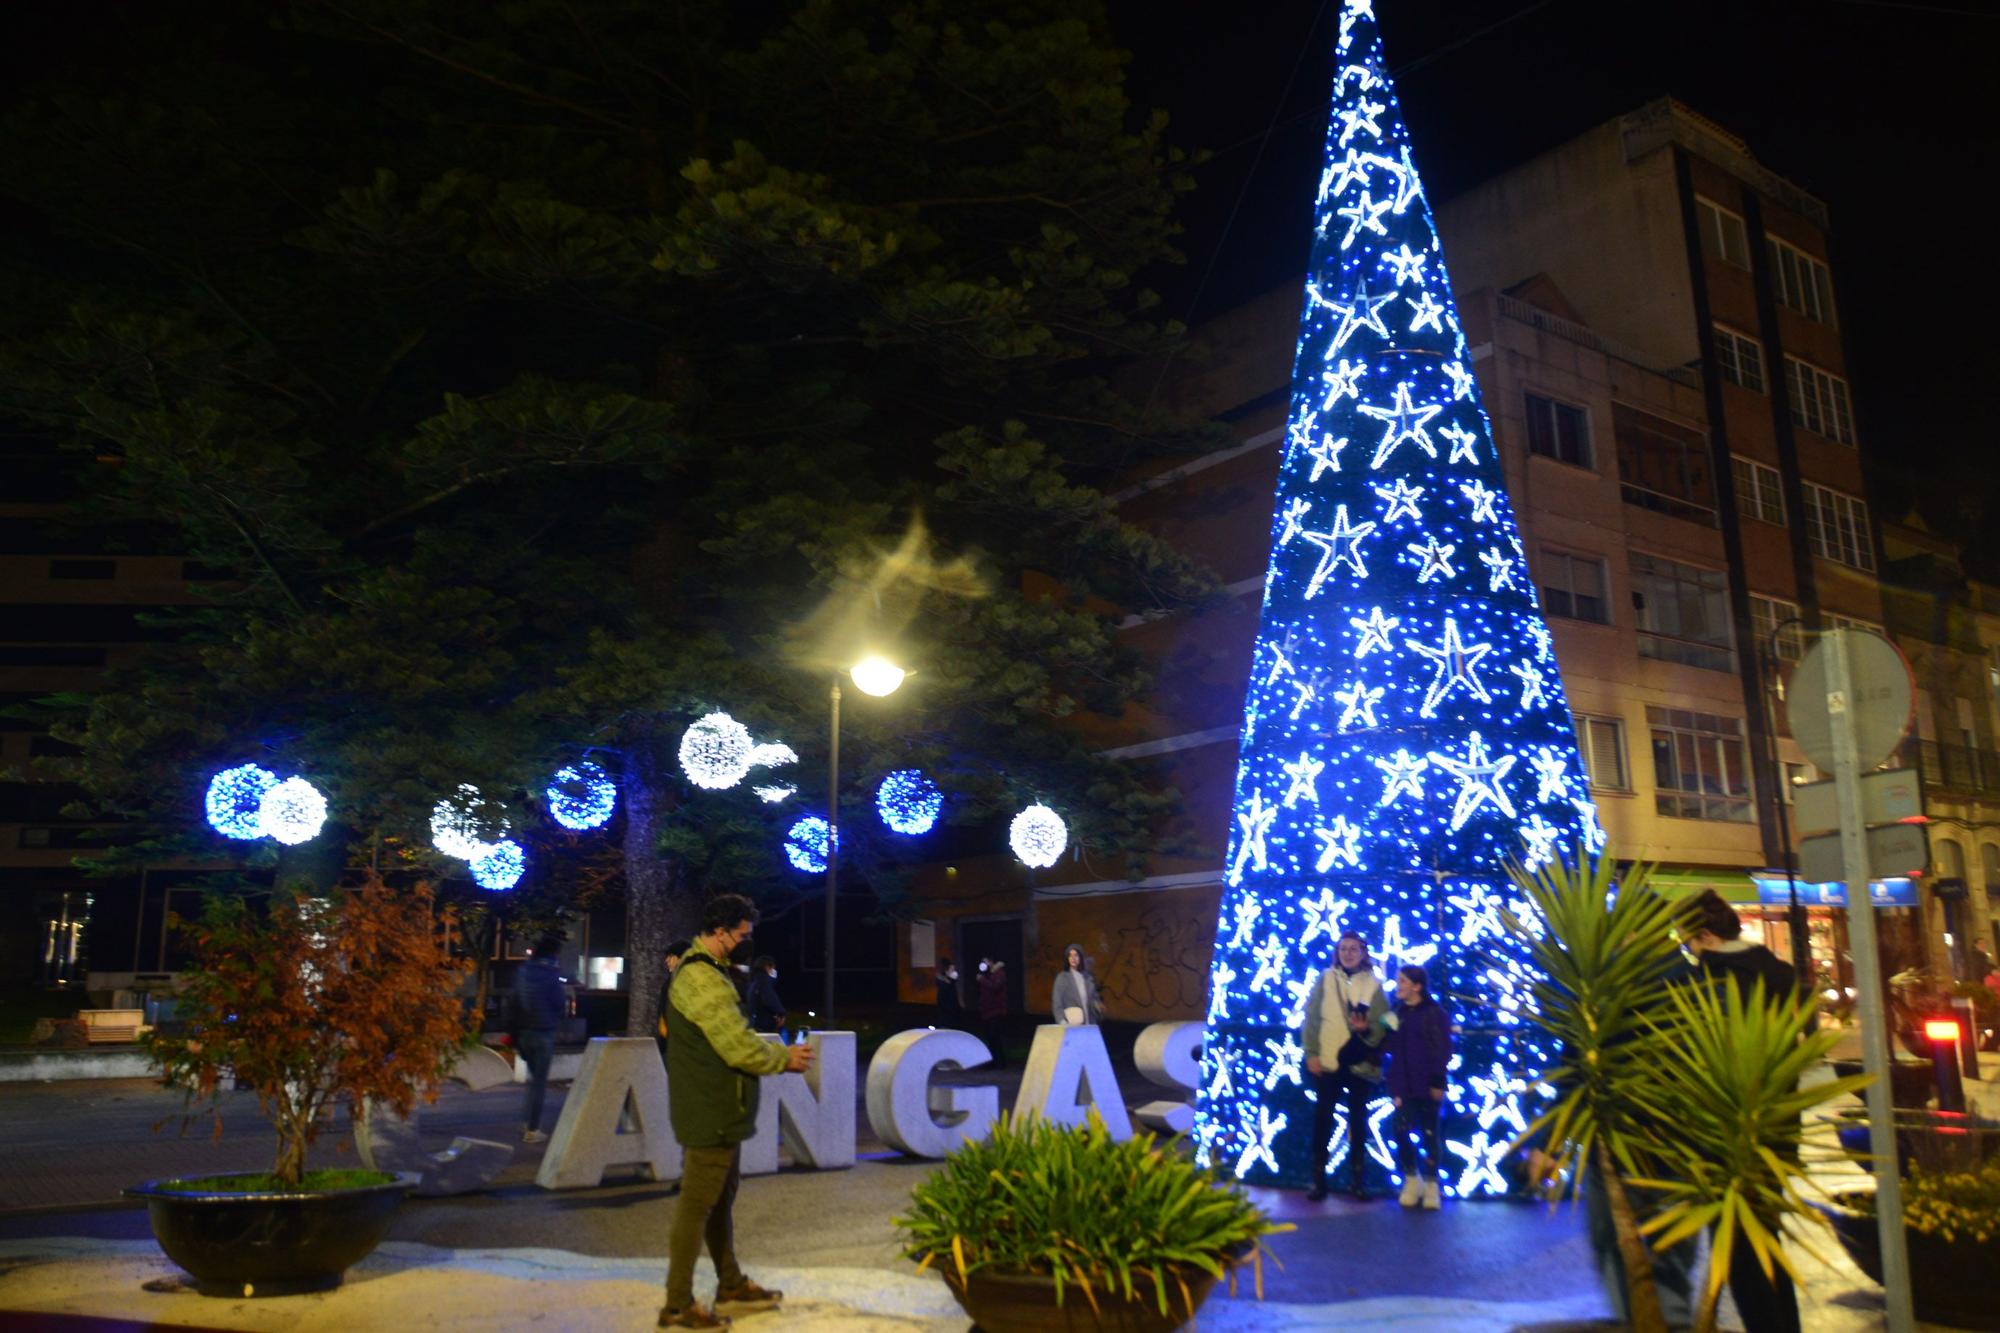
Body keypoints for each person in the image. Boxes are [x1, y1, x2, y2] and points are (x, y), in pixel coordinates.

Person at [658, 894, 812, 1330]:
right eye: (742, 934)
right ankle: (677, 1304)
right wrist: (785, 1059)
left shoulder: (708, 972)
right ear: (721, 931)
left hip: (721, 1107)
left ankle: (729, 1282)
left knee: (718, 1201)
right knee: (697, 1205)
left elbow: (735, 1034)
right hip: (711, 1109)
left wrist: (776, 1052)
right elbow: (735, 1044)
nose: (746, 941)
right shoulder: (702, 979)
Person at [1681, 888, 1805, 1333]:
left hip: (1725, 1138)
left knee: (1740, 1259)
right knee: (1766, 1245)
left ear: (1706, 936)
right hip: (1777, 1134)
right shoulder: (1779, 973)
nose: (1689, 953)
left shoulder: (1713, 983)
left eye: (1688, 942)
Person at [1300, 932, 1389, 1201]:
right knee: (1323, 1120)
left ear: (1363, 952)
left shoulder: (1373, 984)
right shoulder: (1325, 979)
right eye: (1343, 948)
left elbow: (1385, 1022)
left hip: (1359, 1063)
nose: (1348, 953)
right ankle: (1318, 1180)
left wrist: (1368, 1030)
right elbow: (1312, 1018)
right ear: (1337, 952)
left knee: (1358, 1122)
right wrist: (1311, 1053)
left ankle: (1357, 1180)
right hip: (1328, 1062)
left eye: (1353, 949)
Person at [1382, 964, 1451, 1210]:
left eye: (1402, 981)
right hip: (1403, 1085)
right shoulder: (1395, 1013)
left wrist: (1437, 1081)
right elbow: (1386, 1045)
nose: (1398, 986)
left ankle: (1432, 1183)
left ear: (1416, 986)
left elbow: (1442, 1049)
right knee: (1400, 1130)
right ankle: (1412, 1178)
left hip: (1427, 1084)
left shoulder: (1435, 1014)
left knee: (1430, 1133)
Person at [512, 933, 568, 1145]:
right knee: (538, 1083)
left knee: (533, 1080)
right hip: (543, 1032)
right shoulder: (551, 973)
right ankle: (532, 1129)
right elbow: (558, 1002)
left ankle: (526, 1121)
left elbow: (514, 1000)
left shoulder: (523, 971)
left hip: (524, 1032)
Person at [1050, 944, 1103, 1026]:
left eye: (1076, 955)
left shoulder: (1088, 978)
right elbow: (1057, 1005)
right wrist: (1063, 1023)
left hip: (1089, 1025)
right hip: (1071, 1026)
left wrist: (1097, 1006)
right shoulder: (1062, 978)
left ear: (1081, 958)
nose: (1073, 958)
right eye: (1070, 956)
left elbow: (1094, 999)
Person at [976, 958, 1010, 1069]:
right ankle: (994, 1061)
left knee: (995, 1037)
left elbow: (995, 987)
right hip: (987, 1011)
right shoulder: (988, 975)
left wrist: (982, 980)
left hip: (996, 1011)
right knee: (990, 1038)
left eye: (986, 961)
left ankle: (1001, 1062)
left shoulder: (999, 973)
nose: (985, 964)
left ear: (991, 962)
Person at [745, 956, 786, 1035]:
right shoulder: (763, 982)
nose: (774, 971)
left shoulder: (753, 981)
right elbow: (769, 999)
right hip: (764, 1026)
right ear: (767, 967)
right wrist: (781, 1013)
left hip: (754, 1023)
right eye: (773, 968)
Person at [935, 957, 964, 1026]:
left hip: (954, 1018)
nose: (954, 972)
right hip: (947, 1020)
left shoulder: (951, 984)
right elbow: (941, 1005)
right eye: (952, 970)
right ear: (946, 971)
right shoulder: (944, 986)